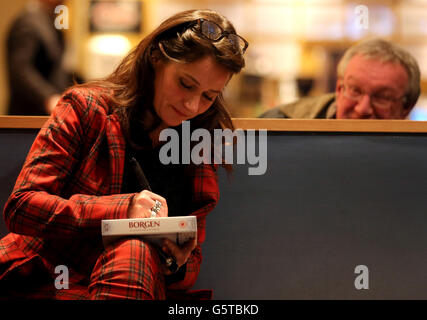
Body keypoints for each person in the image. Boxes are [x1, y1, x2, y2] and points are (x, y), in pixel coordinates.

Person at [0, 9, 247, 299]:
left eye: (208, 96)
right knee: (133, 249)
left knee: (135, 252)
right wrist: (125, 210)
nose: (192, 106)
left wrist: (177, 263)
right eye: (185, 84)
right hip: (52, 278)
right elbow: (22, 207)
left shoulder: (198, 144)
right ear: (156, 58)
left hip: (136, 284)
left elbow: (188, 267)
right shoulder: (86, 108)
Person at [259, 39, 420, 119]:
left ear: (407, 106)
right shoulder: (275, 126)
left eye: (382, 97)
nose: (363, 109)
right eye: (355, 90)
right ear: (339, 89)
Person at [6, 0, 75, 115]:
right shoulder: (28, 23)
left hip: (48, 113)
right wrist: (49, 97)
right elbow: (21, 68)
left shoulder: (48, 20)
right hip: (28, 116)